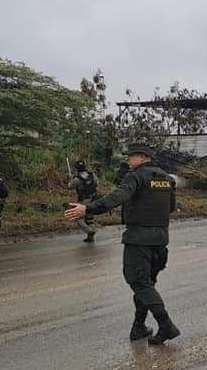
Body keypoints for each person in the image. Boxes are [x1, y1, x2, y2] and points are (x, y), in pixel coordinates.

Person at [65, 143, 180, 345]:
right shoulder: (166, 178)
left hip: (139, 238)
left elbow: (119, 196)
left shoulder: (135, 176)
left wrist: (88, 208)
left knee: (138, 282)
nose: (128, 160)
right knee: (146, 284)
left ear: (143, 157)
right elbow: (171, 207)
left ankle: (166, 325)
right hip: (161, 239)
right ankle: (139, 327)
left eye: (131, 156)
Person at [69, 159, 99, 243]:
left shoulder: (77, 179)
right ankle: (91, 237)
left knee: (78, 219)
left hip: (84, 200)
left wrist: (71, 178)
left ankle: (90, 231)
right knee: (89, 218)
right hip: (93, 199)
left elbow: (70, 186)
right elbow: (96, 183)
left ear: (77, 169)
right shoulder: (92, 175)